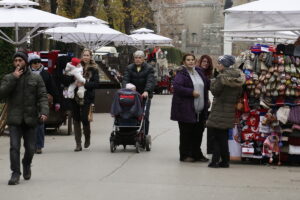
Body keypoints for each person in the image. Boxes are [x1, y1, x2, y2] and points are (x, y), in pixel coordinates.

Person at [0, 51, 48, 185]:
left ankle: (26, 163)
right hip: (14, 119)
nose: (17, 63)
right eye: (15, 61)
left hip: (30, 119)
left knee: (31, 148)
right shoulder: (8, 77)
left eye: (20, 60)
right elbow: (1, 94)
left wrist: (44, 112)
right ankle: (15, 173)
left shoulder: (36, 78)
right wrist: (13, 78)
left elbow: (43, 96)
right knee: (14, 147)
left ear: (25, 62)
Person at [206, 55, 245, 168]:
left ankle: (215, 161)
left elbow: (215, 91)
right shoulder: (239, 76)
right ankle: (225, 161)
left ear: (224, 65)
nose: (218, 65)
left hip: (219, 108)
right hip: (230, 109)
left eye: (219, 63)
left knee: (217, 137)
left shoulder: (221, 77)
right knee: (223, 136)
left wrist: (212, 81)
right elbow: (239, 93)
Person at [171, 54, 210, 162]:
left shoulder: (199, 71)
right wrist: (191, 92)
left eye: (192, 60)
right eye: (188, 60)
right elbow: (177, 87)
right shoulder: (181, 73)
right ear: (184, 62)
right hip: (185, 109)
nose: (190, 62)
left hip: (200, 110)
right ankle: (185, 155)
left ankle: (197, 154)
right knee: (186, 134)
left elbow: (207, 84)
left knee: (198, 133)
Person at [28, 54, 60, 154]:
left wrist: (57, 101)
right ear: (30, 64)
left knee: (40, 124)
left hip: (42, 101)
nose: (37, 64)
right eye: (34, 62)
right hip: (29, 102)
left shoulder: (46, 74)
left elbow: (53, 88)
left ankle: (39, 146)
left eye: (38, 61)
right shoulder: (25, 74)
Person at [72, 49, 100, 152]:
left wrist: (85, 84)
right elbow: (69, 77)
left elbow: (96, 84)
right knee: (76, 119)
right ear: (81, 56)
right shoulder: (76, 66)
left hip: (87, 97)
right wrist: (74, 82)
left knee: (85, 118)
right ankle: (78, 144)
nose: (86, 57)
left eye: (88, 55)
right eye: (84, 55)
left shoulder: (94, 69)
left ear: (91, 56)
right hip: (75, 96)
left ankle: (87, 137)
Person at [122, 50, 155, 136]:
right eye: (136, 58)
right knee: (129, 113)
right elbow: (125, 80)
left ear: (143, 59)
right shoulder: (129, 68)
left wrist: (146, 91)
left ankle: (144, 134)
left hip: (144, 96)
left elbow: (150, 81)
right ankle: (128, 132)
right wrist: (127, 88)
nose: (138, 59)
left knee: (145, 115)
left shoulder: (149, 68)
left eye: (140, 58)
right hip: (131, 95)